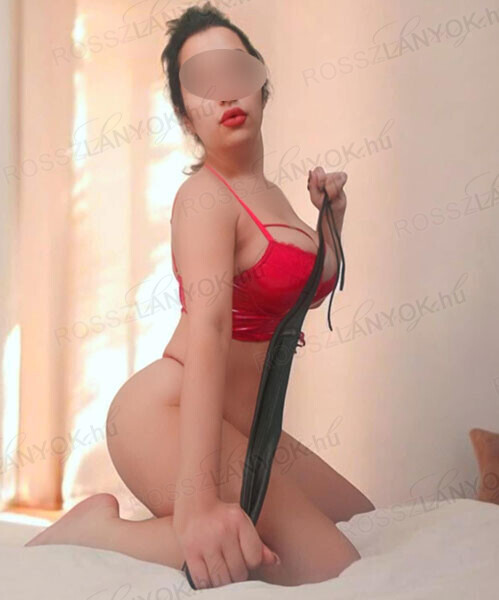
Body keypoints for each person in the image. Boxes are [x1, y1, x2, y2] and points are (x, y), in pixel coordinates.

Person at [24, 2, 375, 588]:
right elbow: (211, 329)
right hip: (167, 413)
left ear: (262, 84)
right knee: (335, 568)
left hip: (246, 428)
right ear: (187, 117)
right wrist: (197, 505)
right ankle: (97, 534)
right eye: (201, 83)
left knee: (365, 520)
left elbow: (301, 288)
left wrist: (330, 222)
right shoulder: (205, 199)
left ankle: (177, 525)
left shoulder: (271, 196)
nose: (225, 92)